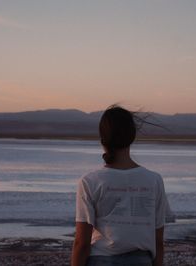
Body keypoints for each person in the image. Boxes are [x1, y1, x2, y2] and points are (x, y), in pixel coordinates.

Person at [71, 105, 170, 266]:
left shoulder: (90, 181)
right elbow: (158, 240)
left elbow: (81, 243)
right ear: (132, 137)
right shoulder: (154, 180)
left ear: (102, 138)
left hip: (100, 260)